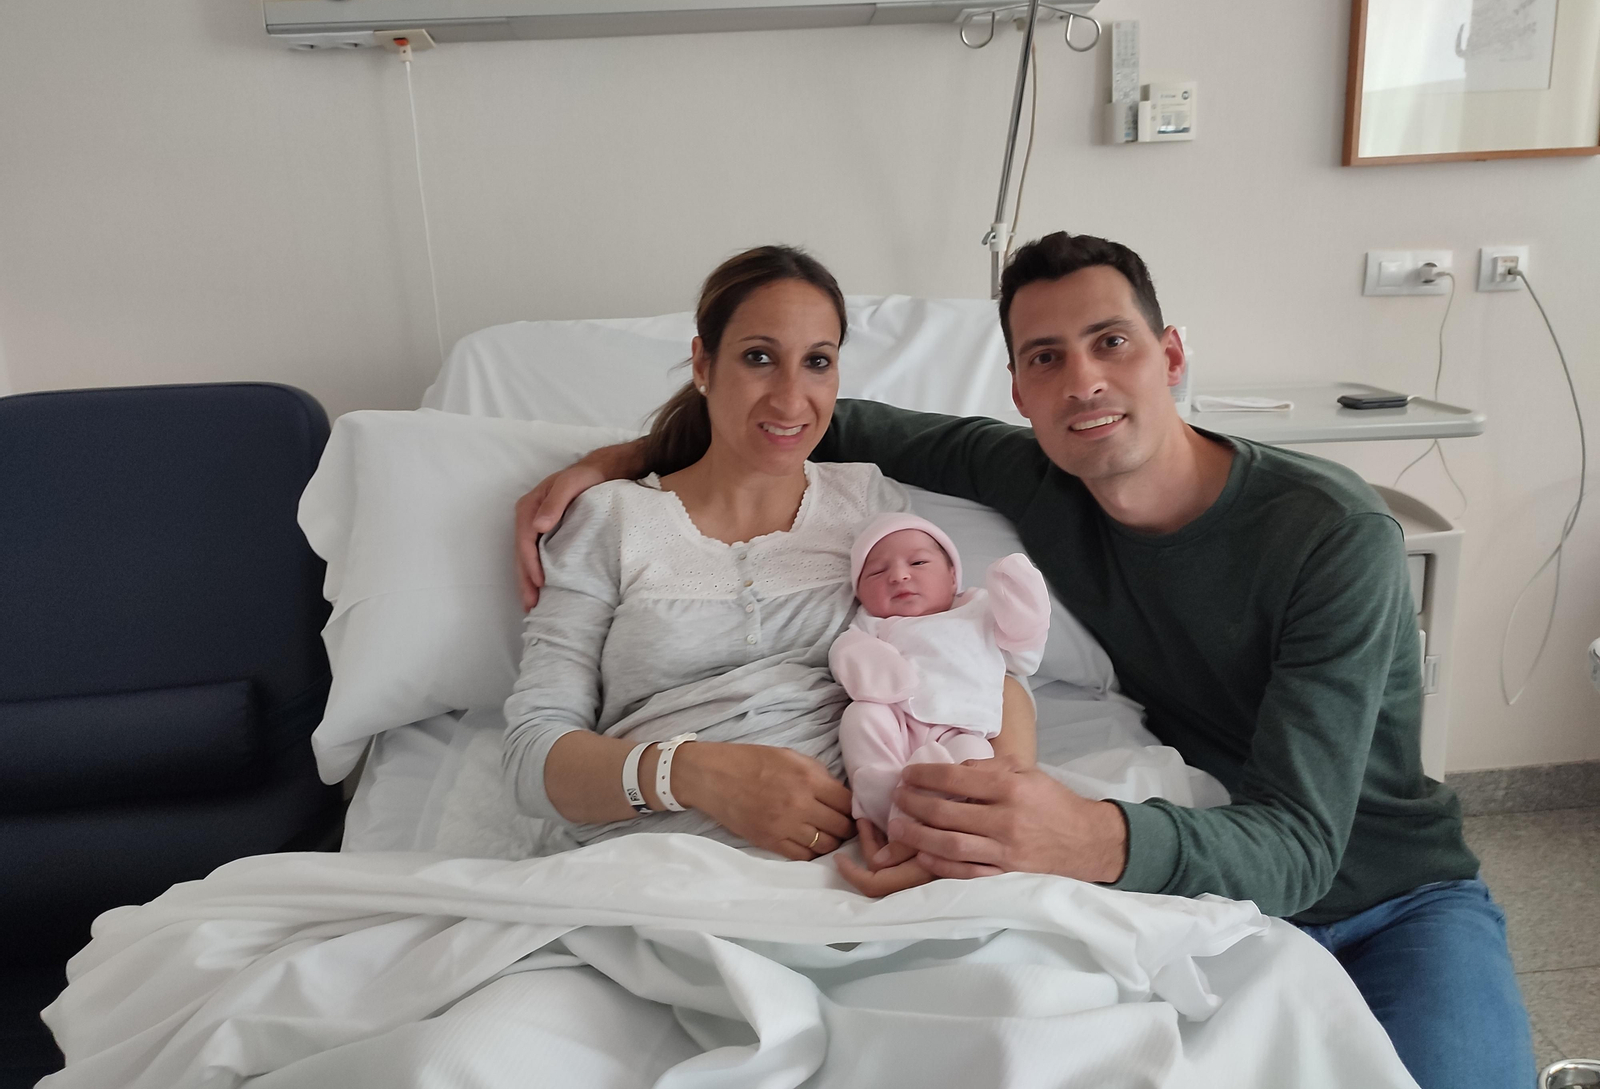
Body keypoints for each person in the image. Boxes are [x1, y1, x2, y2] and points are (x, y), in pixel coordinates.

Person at [514, 232, 1534, 1089]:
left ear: (1171, 354)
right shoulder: (1036, 469)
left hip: (1379, 894)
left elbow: (1304, 847)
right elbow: (796, 424)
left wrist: (1091, 835)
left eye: (1110, 343)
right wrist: (609, 468)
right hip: (1200, 879)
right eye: (1045, 357)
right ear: (1017, 387)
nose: (1082, 381)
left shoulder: (1329, 537)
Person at [502, 244, 1033, 877]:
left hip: (867, 870)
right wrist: (694, 774)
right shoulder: (610, 520)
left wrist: (987, 810)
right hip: (652, 874)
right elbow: (533, 755)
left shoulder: (868, 503)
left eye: (817, 363)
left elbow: (970, 656)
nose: (790, 398)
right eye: (759, 358)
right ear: (703, 363)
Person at [831, 513, 1049, 831]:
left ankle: (930, 817)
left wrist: (1021, 601)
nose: (899, 576)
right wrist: (880, 676)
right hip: (896, 719)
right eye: (877, 571)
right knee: (860, 718)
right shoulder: (871, 624)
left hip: (961, 727)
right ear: (860, 595)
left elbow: (1022, 652)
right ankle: (885, 809)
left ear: (951, 577)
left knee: (973, 759)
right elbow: (846, 652)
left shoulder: (978, 609)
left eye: (918, 563)